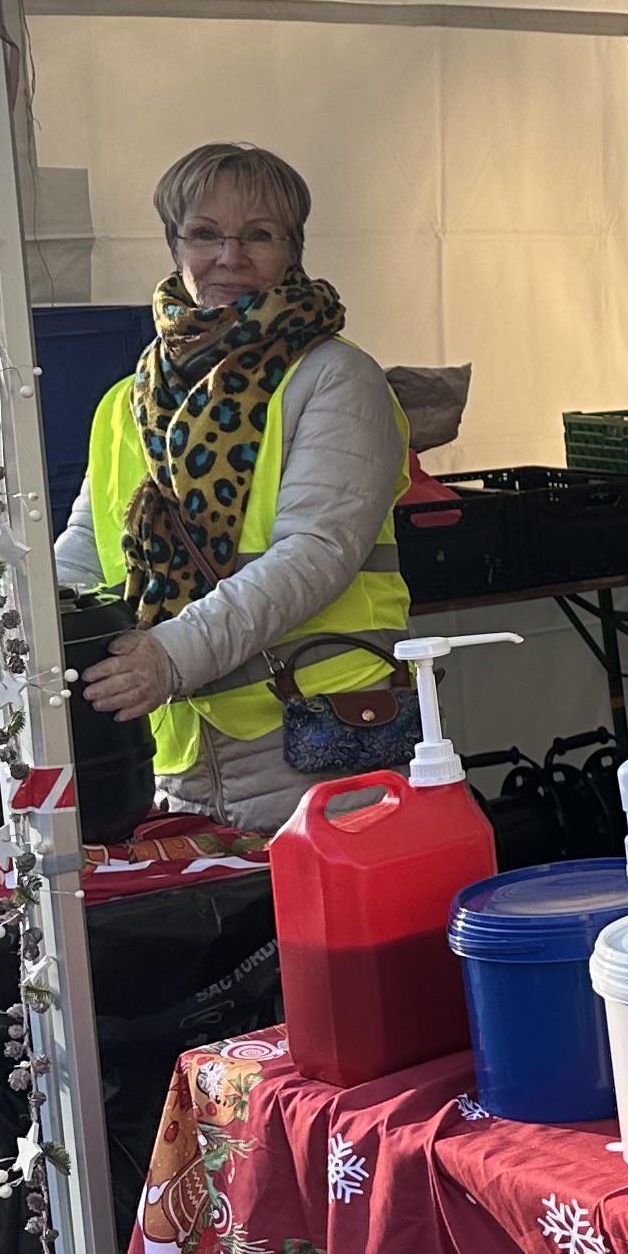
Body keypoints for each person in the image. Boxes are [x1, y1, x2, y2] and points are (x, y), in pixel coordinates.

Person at [56, 143, 409, 833]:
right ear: (175, 246)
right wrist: (28, 630)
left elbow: (316, 551)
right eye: (205, 234)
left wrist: (171, 656)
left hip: (323, 738)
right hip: (177, 750)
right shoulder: (128, 400)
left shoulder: (337, 377)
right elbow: (84, 549)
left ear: (293, 249)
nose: (230, 257)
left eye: (259, 235)